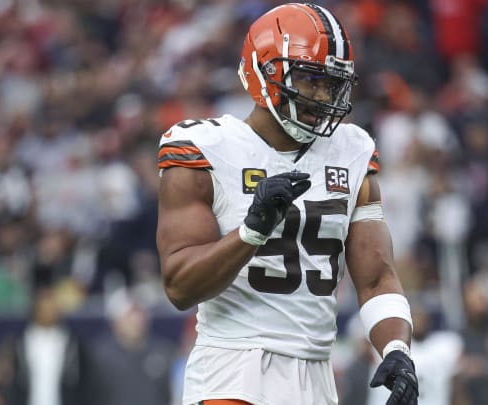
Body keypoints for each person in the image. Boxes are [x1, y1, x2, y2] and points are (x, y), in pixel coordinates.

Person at [156, 3, 418, 405]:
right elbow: (179, 286)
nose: (322, 95)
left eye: (332, 84)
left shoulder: (352, 150)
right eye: (310, 79)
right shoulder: (206, 148)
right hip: (232, 368)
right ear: (263, 73)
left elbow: (376, 278)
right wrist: (252, 231)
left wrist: (396, 350)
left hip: (315, 373)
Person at [91, 288, 174, 405]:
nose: (137, 319)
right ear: (115, 321)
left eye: (140, 312)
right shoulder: (98, 356)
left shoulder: (164, 351)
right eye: (130, 314)